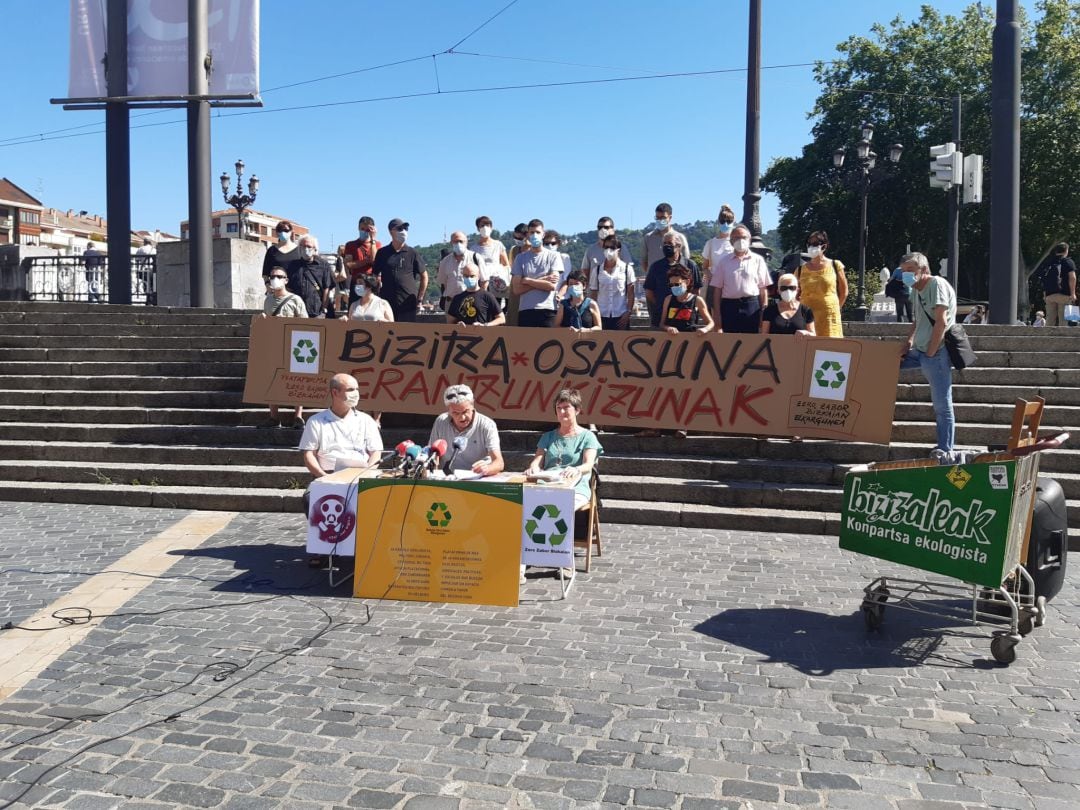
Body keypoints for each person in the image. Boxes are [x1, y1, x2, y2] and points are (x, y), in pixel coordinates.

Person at [900, 252, 956, 455]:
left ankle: (945, 448)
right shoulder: (915, 290)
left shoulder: (936, 285)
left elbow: (941, 321)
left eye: (910, 271)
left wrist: (932, 351)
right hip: (921, 350)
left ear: (923, 270)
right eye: (903, 271)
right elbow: (917, 320)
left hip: (936, 352)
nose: (906, 275)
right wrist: (907, 343)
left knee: (942, 403)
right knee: (886, 364)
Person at [525, 388, 603, 512]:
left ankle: (555, 529)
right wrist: (533, 467)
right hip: (549, 485)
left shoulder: (588, 437)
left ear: (577, 410)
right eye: (558, 408)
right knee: (524, 503)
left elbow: (588, 465)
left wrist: (576, 469)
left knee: (561, 507)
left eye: (566, 407)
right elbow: (537, 460)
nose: (562, 411)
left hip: (575, 487)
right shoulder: (548, 437)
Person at [299, 373, 383, 477]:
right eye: (351, 390)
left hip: (360, 475)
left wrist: (366, 474)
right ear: (335, 392)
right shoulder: (315, 421)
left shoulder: (367, 420)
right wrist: (324, 477)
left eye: (357, 389)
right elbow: (309, 454)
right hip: (328, 474)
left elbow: (376, 452)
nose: (356, 393)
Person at [260, 267, 307, 428]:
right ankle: (273, 416)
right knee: (272, 380)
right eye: (272, 276)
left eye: (279, 276)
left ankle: (298, 416)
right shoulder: (268, 300)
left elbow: (306, 324)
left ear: (286, 280)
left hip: (294, 346)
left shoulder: (295, 300)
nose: (275, 279)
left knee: (297, 381)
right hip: (274, 344)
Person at [427, 384, 505, 476]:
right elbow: (433, 455)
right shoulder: (441, 421)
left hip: (477, 478)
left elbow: (499, 463)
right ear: (448, 410)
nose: (462, 417)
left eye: (465, 411)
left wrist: (487, 468)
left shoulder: (487, 425)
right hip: (448, 478)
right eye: (456, 413)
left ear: (472, 405)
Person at [710, 224, 770, 334]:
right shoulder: (723, 262)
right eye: (737, 238)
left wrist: (763, 313)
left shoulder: (758, 260)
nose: (740, 240)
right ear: (731, 241)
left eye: (743, 237)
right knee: (728, 343)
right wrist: (717, 315)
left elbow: (763, 289)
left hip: (752, 306)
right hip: (729, 307)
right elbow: (717, 290)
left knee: (751, 343)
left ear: (749, 239)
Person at [511, 218, 565, 328]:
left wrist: (528, 281)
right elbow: (516, 289)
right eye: (532, 232)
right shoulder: (520, 258)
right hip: (526, 310)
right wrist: (543, 280)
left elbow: (551, 285)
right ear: (528, 235)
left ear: (543, 234)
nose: (535, 235)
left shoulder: (554, 256)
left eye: (538, 232)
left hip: (547, 310)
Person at [373, 217, 427, 322]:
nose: (403, 231)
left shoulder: (412, 253)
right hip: (387, 302)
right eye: (399, 228)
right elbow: (374, 276)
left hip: (408, 303)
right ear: (391, 231)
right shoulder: (382, 253)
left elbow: (424, 276)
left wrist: (419, 299)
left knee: (407, 335)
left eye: (405, 228)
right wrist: (376, 296)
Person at [644, 231, 701, 329]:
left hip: (686, 319)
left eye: (670, 243)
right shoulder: (656, 267)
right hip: (662, 319)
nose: (666, 246)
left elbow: (696, 290)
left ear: (678, 246)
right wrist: (662, 306)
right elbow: (649, 292)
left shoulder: (691, 265)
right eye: (664, 244)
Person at [796, 230, 847, 337]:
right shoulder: (800, 270)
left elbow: (844, 291)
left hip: (829, 316)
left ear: (824, 246)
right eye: (809, 244)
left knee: (830, 349)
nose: (811, 246)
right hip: (807, 317)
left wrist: (836, 309)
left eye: (815, 244)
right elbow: (795, 293)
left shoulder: (835, 265)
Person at [588, 234, 635, 331]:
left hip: (620, 316)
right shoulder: (596, 270)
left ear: (619, 249)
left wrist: (628, 312)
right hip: (601, 315)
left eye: (612, 247)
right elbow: (593, 293)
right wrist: (592, 312)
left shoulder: (627, 269)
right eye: (606, 247)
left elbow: (631, 293)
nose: (608, 250)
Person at [469, 215, 511, 308]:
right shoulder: (473, 248)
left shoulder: (498, 245)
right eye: (482, 225)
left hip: (496, 283)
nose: (485, 228)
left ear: (491, 227)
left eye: (487, 225)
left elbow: (506, 264)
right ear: (478, 228)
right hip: (481, 283)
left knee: (496, 307)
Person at [437, 231, 487, 308]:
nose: (458, 244)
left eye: (461, 241)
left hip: (472, 303)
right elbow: (443, 283)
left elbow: (484, 281)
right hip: (451, 303)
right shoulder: (445, 261)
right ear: (451, 243)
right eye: (455, 241)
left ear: (466, 242)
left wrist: (480, 300)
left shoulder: (476, 258)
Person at [288, 234, 333, 318]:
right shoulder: (292, 265)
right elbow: (289, 288)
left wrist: (324, 309)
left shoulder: (323, 265)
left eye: (309, 246)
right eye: (303, 246)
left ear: (315, 249)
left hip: (317, 312)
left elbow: (327, 288)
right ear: (299, 248)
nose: (306, 249)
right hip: (297, 313)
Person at [660, 264, 714, 334]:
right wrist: (668, 328)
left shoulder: (697, 300)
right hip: (671, 341)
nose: (674, 287)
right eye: (671, 285)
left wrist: (705, 329)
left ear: (687, 282)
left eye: (677, 284)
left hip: (690, 340)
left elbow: (711, 323)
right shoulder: (668, 299)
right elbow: (662, 324)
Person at [641, 202, 691, 276]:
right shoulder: (648, 237)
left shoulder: (680, 238)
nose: (660, 220)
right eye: (657, 218)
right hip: (655, 282)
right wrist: (651, 277)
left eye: (663, 217)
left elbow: (687, 261)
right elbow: (644, 261)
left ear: (670, 218)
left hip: (675, 281)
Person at [342, 216, 381, 306]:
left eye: (367, 229)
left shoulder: (377, 244)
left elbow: (374, 260)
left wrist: (373, 240)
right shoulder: (351, 245)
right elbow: (349, 264)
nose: (364, 231)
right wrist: (367, 261)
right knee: (355, 309)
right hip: (357, 282)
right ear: (358, 228)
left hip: (372, 283)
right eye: (362, 229)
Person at [1040, 242, 1077, 326]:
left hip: (1050, 295)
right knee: (1064, 320)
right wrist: (1073, 293)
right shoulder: (1068, 261)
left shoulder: (1049, 262)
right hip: (1064, 294)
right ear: (1066, 251)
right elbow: (1072, 277)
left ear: (1056, 251)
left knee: (1050, 320)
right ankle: (1064, 338)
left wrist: (1045, 294)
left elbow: (1044, 278)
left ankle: (1047, 338)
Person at [701, 204, 737, 288]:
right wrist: (713, 278)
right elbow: (705, 267)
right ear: (718, 222)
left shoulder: (737, 243)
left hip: (733, 285)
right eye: (722, 221)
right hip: (714, 286)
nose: (725, 224)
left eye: (728, 221)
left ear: (733, 222)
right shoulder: (710, 243)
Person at [262, 220, 300, 284]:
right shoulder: (271, 250)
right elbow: (265, 273)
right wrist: (267, 285)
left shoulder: (299, 250)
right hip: (277, 289)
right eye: (280, 230)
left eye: (286, 230)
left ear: (291, 232)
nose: (283, 232)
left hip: (296, 289)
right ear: (277, 233)